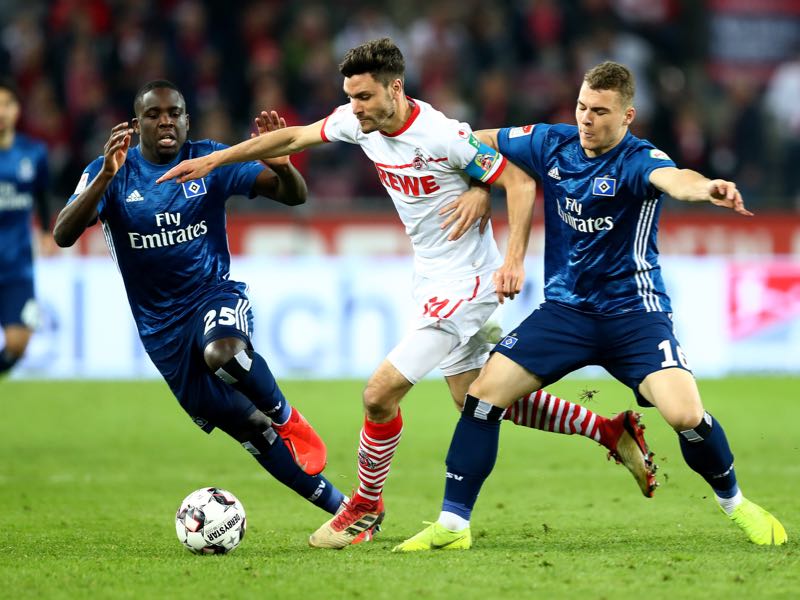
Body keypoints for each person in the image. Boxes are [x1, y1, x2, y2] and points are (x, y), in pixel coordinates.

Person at [157, 40, 656, 550]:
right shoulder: (360, 123)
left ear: (395, 88)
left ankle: (364, 509)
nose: (355, 108)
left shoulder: (440, 134)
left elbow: (521, 182)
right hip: (432, 280)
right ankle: (608, 430)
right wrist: (217, 160)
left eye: (365, 97)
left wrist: (511, 257)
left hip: (470, 284)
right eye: (350, 97)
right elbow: (296, 135)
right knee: (477, 398)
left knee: (379, 394)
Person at [394, 61, 787, 552]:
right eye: (582, 106)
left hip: (634, 316)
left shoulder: (639, 159)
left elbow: (676, 178)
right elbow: (472, 140)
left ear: (627, 116)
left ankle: (737, 504)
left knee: (685, 415)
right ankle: (453, 526)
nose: (586, 118)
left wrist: (706, 187)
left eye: (600, 111)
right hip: (566, 313)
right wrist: (478, 184)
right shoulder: (550, 142)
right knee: (483, 394)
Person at [51, 80, 374, 538]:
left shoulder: (209, 159)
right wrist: (104, 176)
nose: (166, 121)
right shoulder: (113, 172)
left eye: (175, 113)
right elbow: (64, 234)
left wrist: (282, 168)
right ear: (136, 122)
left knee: (223, 353)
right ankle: (350, 514)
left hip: (213, 295)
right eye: (154, 114)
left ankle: (289, 417)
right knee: (253, 431)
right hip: (162, 333)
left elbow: (294, 195)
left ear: (186, 119)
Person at [0, 77, 54, 377]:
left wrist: (46, 231)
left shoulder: (33, 153)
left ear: (17, 110)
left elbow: (43, 195)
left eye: (6, 104)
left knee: (18, 345)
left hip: (17, 265)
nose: (1, 112)